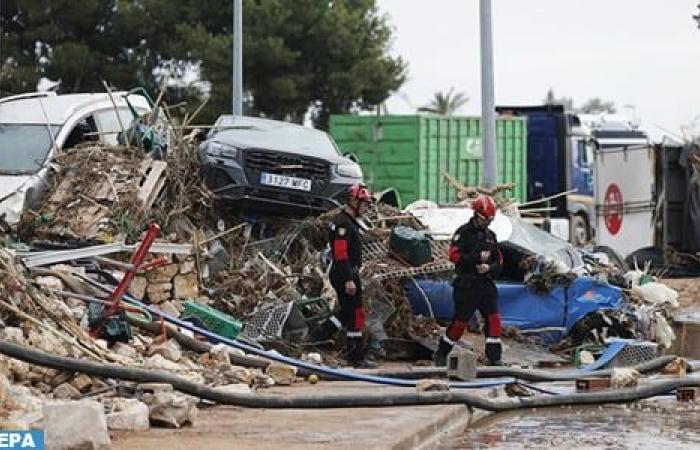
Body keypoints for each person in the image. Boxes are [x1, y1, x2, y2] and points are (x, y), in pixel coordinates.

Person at [433, 194, 504, 366]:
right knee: (459, 324)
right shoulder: (463, 233)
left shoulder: (491, 236)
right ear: (476, 215)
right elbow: (454, 256)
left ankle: (494, 358)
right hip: (467, 284)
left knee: (493, 320)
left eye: (489, 220)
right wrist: (476, 260)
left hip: (486, 284)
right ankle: (442, 353)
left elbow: (499, 260)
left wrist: (489, 268)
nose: (486, 224)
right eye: (484, 220)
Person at [327, 183, 376, 368]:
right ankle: (355, 357)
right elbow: (340, 253)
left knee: (347, 313)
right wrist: (348, 279)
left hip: (345, 272)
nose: (366, 208)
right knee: (356, 314)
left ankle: (318, 334)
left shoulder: (348, 221)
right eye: (364, 204)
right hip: (344, 274)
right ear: (353, 201)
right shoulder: (343, 224)